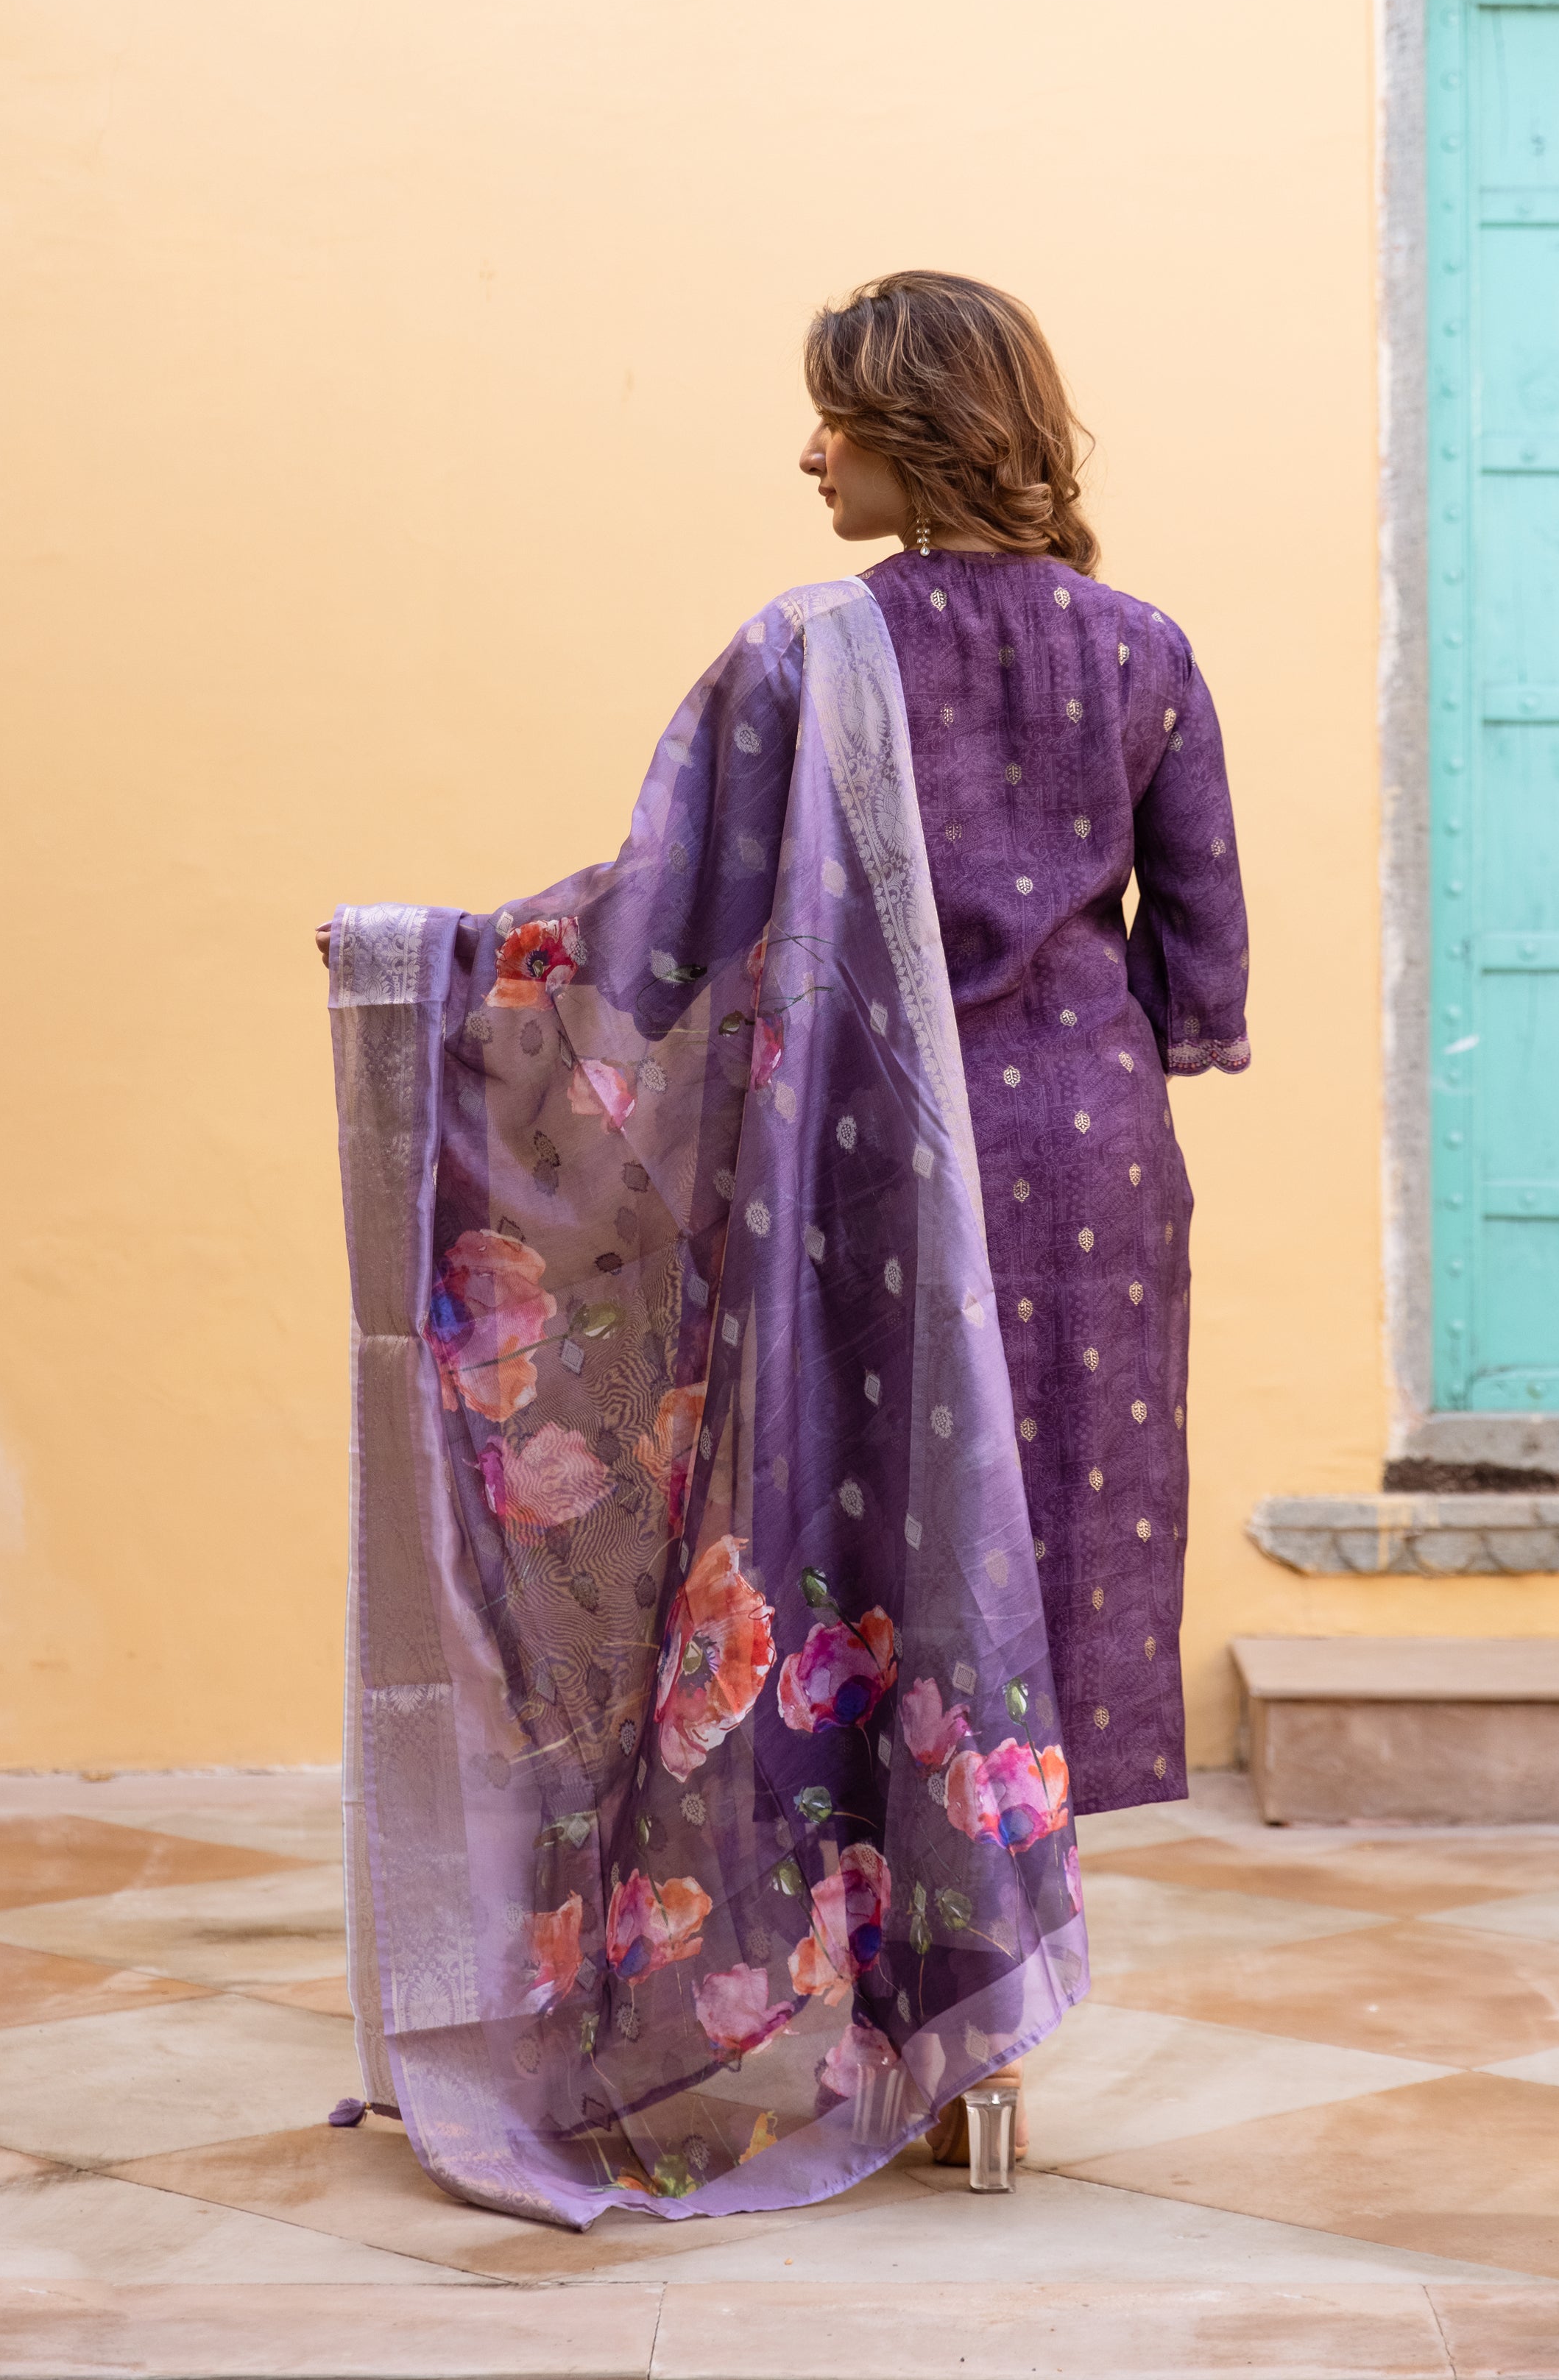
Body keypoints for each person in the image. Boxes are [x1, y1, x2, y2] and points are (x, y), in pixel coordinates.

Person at [321, 273, 1247, 2228]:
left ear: (908, 430)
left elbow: (652, 940)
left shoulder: (804, 650)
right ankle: (982, 2034)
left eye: (830, 416)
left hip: (869, 1149)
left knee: (852, 1532)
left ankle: (887, 2005)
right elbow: (1198, 973)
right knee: (1034, 1552)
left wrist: (439, 968)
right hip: (1088, 1162)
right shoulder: (1144, 648)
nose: (805, 450)